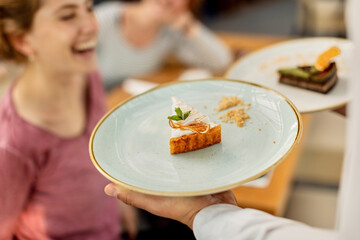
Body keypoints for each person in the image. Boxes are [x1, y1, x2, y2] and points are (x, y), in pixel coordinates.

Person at [104, 0, 360, 239]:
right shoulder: (105, 21)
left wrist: (187, 24)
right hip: (107, 109)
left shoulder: (169, 32)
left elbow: (220, 58)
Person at [0, 0, 123, 238]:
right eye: (67, 16)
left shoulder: (86, 74)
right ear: (22, 40)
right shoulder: (12, 143)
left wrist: (117, 200)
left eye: (88, 8)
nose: (90, 25)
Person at [95, 0, 233, 89]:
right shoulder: (105, 19)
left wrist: (190, 27)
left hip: (125, 99)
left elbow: (220, 61)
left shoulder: (170, 31)